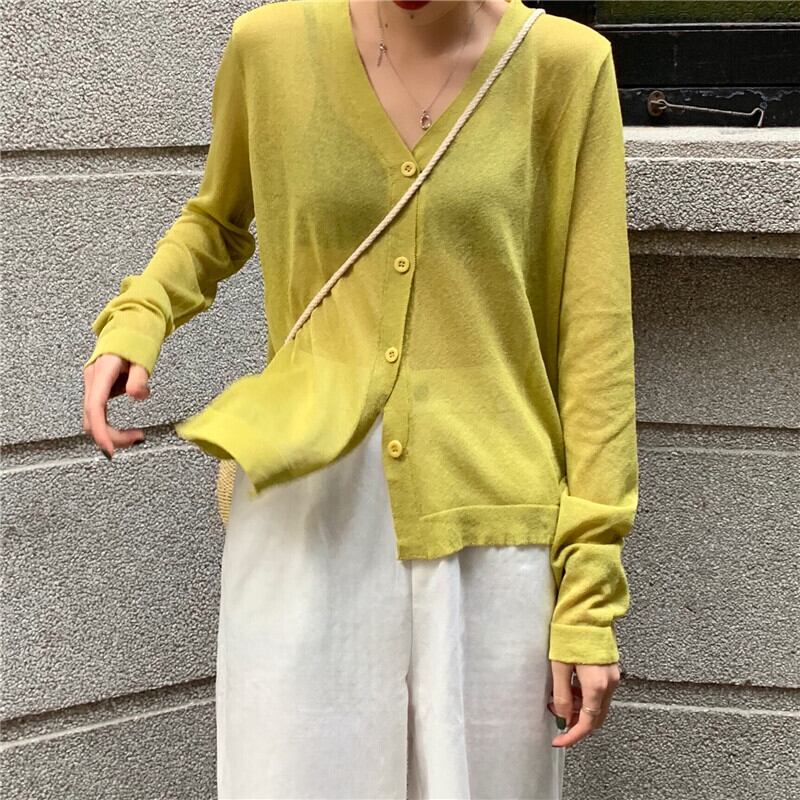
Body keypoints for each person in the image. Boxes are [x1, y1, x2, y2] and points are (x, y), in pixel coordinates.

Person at [83, 1, 638, 798]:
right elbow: (216, 220)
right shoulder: (269, 48)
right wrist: (138, 319)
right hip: (309, 523)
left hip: (489, 533)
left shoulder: (565, 67)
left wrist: (588, 595)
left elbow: (595, 345)